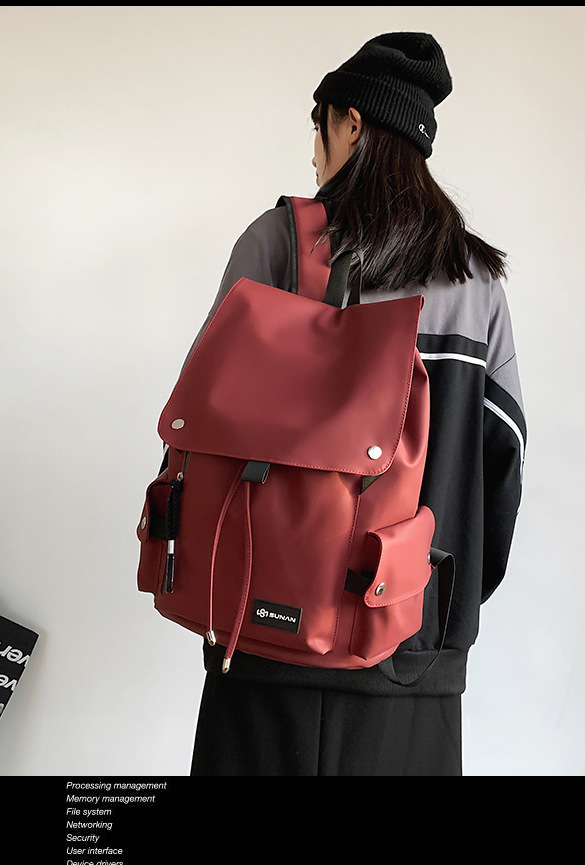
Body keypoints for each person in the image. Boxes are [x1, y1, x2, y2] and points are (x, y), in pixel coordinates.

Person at [188, 32, 526, 776]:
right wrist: (436, 607)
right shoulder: (476, 283)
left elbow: (198, 436)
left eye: (317, 130)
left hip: (261, 644)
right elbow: (500, 475)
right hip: (412, 664)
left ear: (349, 122)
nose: (313, 158)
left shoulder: (274, 247)